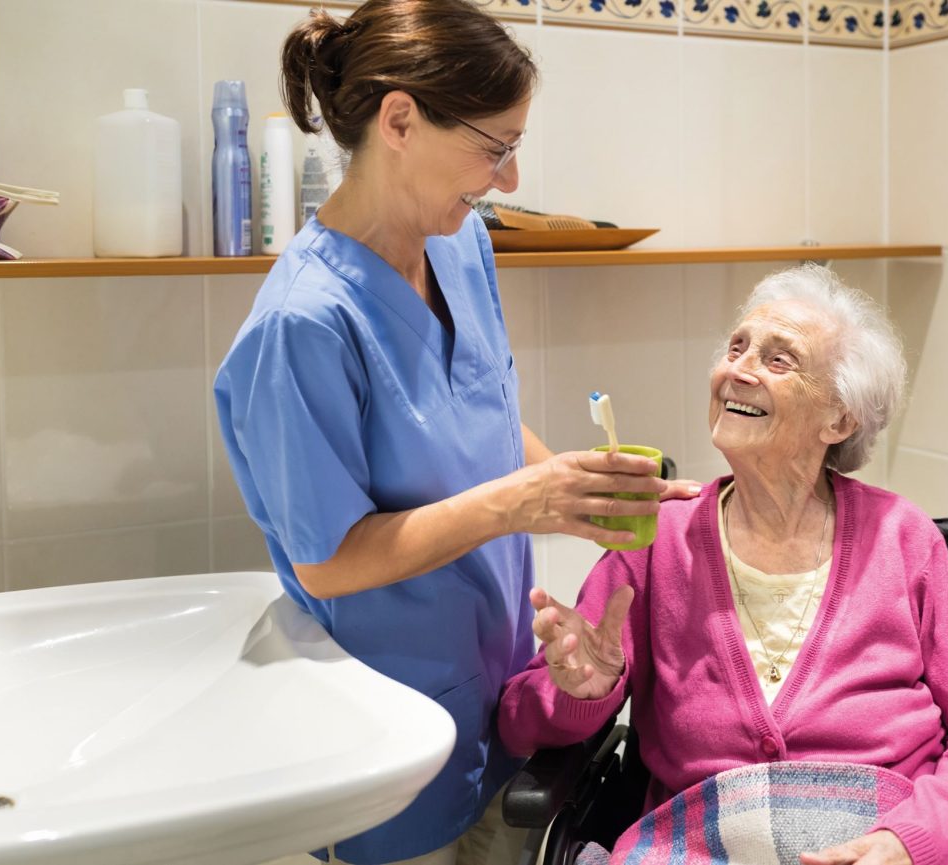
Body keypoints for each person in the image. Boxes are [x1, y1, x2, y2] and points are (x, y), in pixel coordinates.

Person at [213, 2, 696, 863]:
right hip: (385, 735)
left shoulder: (462, 243)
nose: (507, 181)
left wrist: (591, 491)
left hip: (504, 703)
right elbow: (330, 559)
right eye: (494, 147)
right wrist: (522, 503)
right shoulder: (303, 325)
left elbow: (479, 410)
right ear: (399, 119)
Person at [498, 264, 948, 865]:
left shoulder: (902, 538)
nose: (737, 369)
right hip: (705, 841)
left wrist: (908, 843)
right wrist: (583, 688)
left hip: (886, 833)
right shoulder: (656, 540)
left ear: (838, 419)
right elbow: (521, 721)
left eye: (778, 360)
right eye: (736, 347)